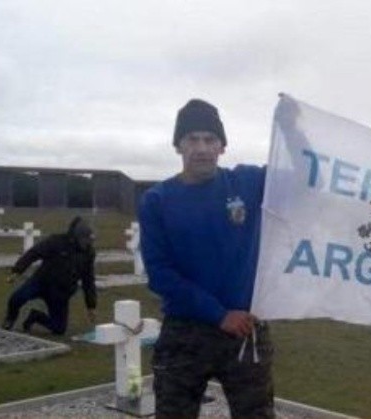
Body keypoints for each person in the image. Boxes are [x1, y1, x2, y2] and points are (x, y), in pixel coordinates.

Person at [138, 99, 274, 419]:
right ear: (178, 146)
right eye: (192, 139)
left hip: (246, 329)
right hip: (186, 333)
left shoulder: (247, 183)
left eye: (210, 139)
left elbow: (299, 175)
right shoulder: (158, 200)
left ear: (223, 146)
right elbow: (160, 274)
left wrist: (295, 128)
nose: (201, 148)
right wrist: (218, 314)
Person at [2, 216, 97, 335]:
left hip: (61, 292)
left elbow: (88, 280)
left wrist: (91, 306)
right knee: (16, 298)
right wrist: (17, 271)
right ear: (76, 236)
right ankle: (10, 319)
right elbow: (34, 253)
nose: (87, 243)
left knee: (59, 329)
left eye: (89, 240)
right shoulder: (56, 241)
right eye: (85, 239)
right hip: (41, 282)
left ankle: (35, 316)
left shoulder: (89, 254)